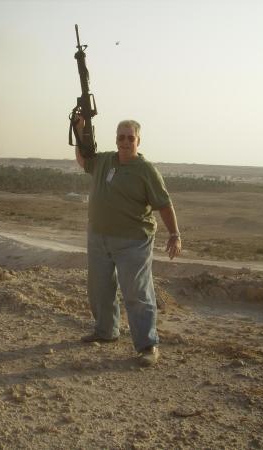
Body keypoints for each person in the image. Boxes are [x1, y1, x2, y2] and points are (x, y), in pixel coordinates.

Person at [74, 114, 181, 366]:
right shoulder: (105, 161)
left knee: (137, 293)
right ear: (116, 139)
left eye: (130, 138)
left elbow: (164, 205)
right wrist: (79, 131)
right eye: (121, 137)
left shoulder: (146, 171)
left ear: (138, 141)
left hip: (133, 241)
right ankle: (106, 331)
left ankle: (148, 345)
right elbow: (83, 160)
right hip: (99, 237)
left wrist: (175, 234)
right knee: (99, 288)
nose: (125, 142)